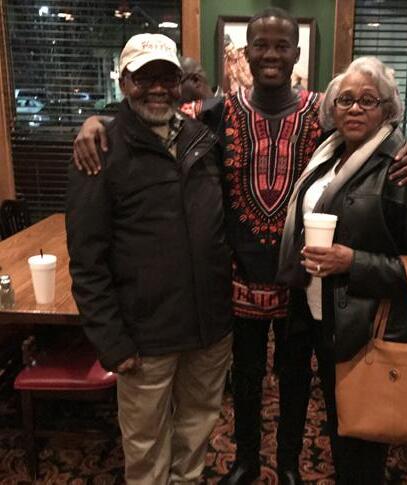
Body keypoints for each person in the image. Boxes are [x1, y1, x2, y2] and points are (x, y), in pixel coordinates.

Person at [72, 9, 407, 485]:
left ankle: (287, 463)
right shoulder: (218, 111)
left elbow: (374, 132)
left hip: (302, 280)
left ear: (297, 54)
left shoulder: (321, 112)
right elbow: (148, 115)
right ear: (245, 53)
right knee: (243, 381)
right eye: (260, 45)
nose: (270, 55)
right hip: (235, 282)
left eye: (281, 46)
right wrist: (94, 121)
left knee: (295, 379)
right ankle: (245, 460)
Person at [66, 33, 232, 485]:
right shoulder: (100, 149)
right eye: (144, 78)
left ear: (181, 82)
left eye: (167, 77)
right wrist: (112, 341)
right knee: (145, 448)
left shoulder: (203, 139)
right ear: (124, 82)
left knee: (196, 432)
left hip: (209, 327)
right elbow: (86, 260)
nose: (157, 88)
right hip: (144, 336)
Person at [277, 56, 407, 484]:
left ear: (388, 109)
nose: (355, 108)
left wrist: (353, 262)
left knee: (360, 444)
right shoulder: (327, 154)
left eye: (368, 100)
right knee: (337, 427)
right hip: (317, 316)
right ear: (332, 108)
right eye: (346, 99)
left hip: (369, 329)